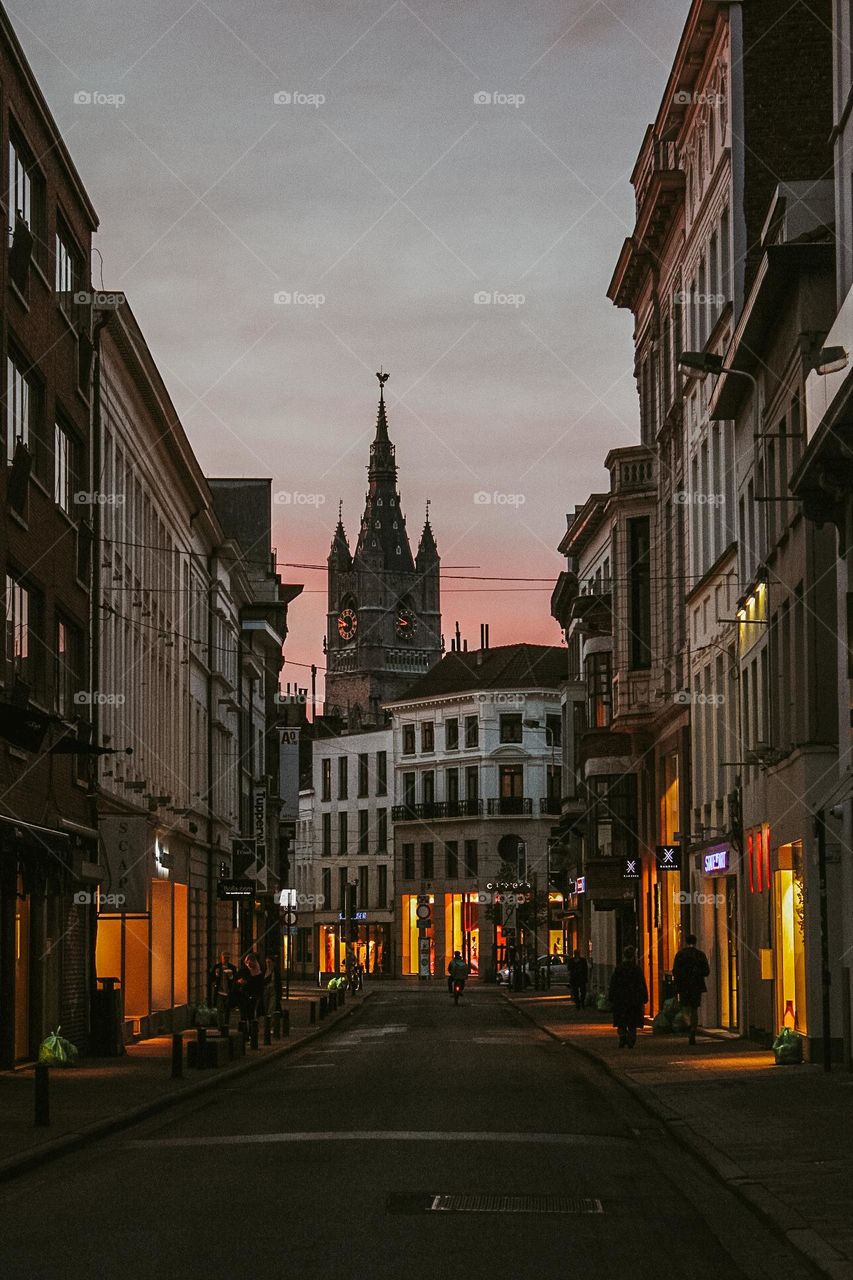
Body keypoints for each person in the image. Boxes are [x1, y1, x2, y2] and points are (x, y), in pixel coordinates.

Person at [673, 933, 710, 1045]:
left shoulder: (680, 954)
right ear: (696, 942)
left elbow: (675, 970)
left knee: (684, 1007)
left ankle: (688, 1025)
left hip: (684, 985)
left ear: (686, 941)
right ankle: (693, 1028)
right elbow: (706, 971)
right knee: (694, 1008)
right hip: (696, 985)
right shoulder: (700, 955)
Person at [608, 945, 648, 1048]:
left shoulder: (619, 969)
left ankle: (622, 1036)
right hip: (633, 1000)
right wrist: (644, 997)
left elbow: (613, 984)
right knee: (632, 1022)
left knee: (621, 1021)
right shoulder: (637, 969)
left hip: (620, 999)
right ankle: (631, 1039)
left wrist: (611, 997)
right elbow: (642, 984)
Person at [234, 952, 264, 1027]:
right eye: (248, 963)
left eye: (251, 963)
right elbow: (236, 980)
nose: (249, 965)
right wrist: (239, 982)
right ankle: (244, 1033)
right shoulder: (243, 970)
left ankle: (252, 1031)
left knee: (251, 1014)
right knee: (243, 1014)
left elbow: (259, 984)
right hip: (243, 995)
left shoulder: (258, 971)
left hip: (253, 995)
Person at [210, 951, 236, 1031]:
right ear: (221, 958)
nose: (226, 960)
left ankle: (226, 1025)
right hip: (220, 991)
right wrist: (216, 975)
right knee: (220, 1009)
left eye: (228, 958)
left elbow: (235, 980)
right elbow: (211, 979)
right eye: (225, 958)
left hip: (228, 992)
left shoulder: (232, 968)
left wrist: (231, 976)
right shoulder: (217, 967)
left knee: (227, 1009)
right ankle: (220, 1026)